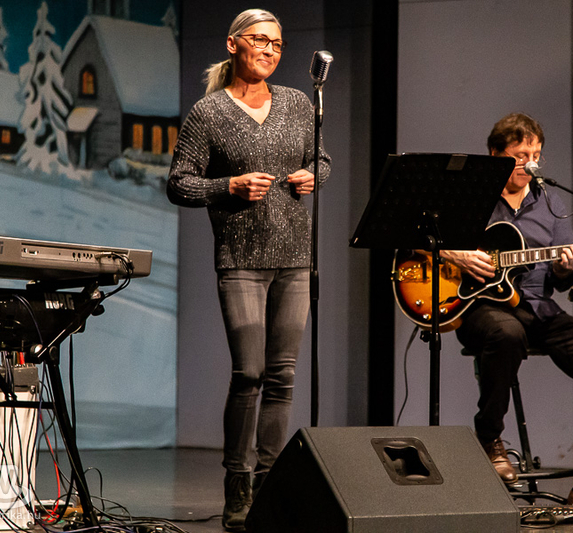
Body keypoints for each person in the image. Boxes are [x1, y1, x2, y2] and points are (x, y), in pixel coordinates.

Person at [166, 8, 331, 531]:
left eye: (277, 44)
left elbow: (322, 160)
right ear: (234, 44)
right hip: (240, 259)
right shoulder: (209, 112)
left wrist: (312, 175)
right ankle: (237, 483)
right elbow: (179, 183)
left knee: (283, 375)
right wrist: (228, 186)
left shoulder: (299, 103)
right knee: (250, 373)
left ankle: (268, 484)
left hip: (295, 258)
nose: (269, 50)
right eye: (259, 40)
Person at [441, 113, 573, 505]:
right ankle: (490, 439)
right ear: (495, 155)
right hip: (477, 305)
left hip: (537, 309)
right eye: (519, 155)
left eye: (535, 155)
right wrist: (456, 254)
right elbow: (423, 237)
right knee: (507, 333)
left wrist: (567, 266)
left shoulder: (550, 202)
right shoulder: (470, 194)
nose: (529, 164)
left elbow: (562, 282)